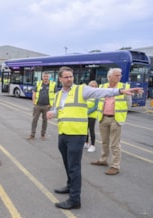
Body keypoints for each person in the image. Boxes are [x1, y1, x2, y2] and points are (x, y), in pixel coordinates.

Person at [46, 66, 142, 210]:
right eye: (66, 77)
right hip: (63, 134)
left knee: (74, 167)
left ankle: (74, 199)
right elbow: (59, 110)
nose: (69, 79)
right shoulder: (59, 94)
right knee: (67, 164)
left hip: (76, 135)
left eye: (71, 76)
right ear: (60, 78)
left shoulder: (81, 89)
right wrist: (52, 113)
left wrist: (120, 91)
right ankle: (70, 185)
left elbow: (101, 92)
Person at [90, 68, 131, 175]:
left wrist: (121, 114)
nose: (119, 77)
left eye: (120, 75)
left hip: (116, 119)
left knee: (114, 144)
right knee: (104, 141)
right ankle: (103, 160)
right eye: (117, 75)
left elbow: (129, 104)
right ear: (109, 77)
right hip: (103, 117)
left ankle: (115, 166)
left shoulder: (124, 87)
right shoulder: (103, 87)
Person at [27, 72, 57, 140]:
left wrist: (51, 105)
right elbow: (34, 93)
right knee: (34, 120)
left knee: (45, 120)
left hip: (47, 106)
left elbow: (56, 95)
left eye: (47, 76)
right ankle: (32, 134)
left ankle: (43, 134)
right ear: (42, 77)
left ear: (49, 77)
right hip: (37, 105)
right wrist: (34, 103)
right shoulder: (38, 83)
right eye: (44, 76)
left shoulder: (53, 84)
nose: (46, 78)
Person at [84, 80, 99, 152]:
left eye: (94, 86)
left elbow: (96, 107)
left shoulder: (97, 95)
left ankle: (92, 145)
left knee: (91, 130)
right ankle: (86, 143)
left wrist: (87, 112)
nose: (92, 87)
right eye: (91, 86)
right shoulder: (87, 94)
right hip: (85, 114)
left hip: (92, 115)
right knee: (85, 129)